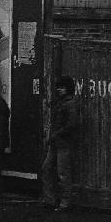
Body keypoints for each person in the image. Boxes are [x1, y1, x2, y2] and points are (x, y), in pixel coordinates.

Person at [41, 75, 78, 210]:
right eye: (59, 87)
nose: (59, 90)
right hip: (57, 142)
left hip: (63, 142)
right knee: (48, 169)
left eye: (62, 87)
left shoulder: (69, 103)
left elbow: (72, 124)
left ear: (68, 89)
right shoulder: (63, 102)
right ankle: (50, 200)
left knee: (63, 173)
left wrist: (56, 134)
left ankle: (64, 202)